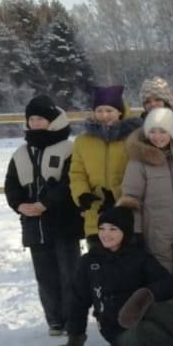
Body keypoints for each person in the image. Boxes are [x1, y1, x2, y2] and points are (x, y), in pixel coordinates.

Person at [51, 206, 173, 346]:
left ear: (126, 232)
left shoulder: (138, 256)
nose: (106, 234)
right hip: (118, 334)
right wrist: (73, 341)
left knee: (154, 309)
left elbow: (169, 283)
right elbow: (78, 301)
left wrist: (146, 294)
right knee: (146, 332)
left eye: (113, 229)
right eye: (102, 228)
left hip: (144, 317)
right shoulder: (89, 262)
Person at [5, 95, 83, 335]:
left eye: (41, 118)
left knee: (70, 274)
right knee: (45, 277)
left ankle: (73, 319)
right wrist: (19, 205)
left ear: (52, 121)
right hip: (34, 226)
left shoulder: (69, 148)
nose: (36, 122)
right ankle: (54, 319)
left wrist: (45, 203)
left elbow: (71, 182)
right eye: (33, 119)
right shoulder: (20, 153)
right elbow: (11, 184)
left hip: (64, 223)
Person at [118, 107, 173, 318]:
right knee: (162, 280)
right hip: (155, 235)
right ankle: (168, 325)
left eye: (163, 131)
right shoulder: (138, 164)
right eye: (153, 131)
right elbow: (131, 199)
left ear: (172, 133)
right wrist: (135, 233)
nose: (158, 137)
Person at [70, 85, 141, 246]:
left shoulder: (135, 138)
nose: (104, 115)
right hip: (96, 213)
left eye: (109, 110)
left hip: (127, 214)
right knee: (98, 266)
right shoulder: (83, 141)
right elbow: (77, 173)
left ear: (120, 112)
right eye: (99, 110)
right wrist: (82, 195)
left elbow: (139, 173)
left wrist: (119, 197)